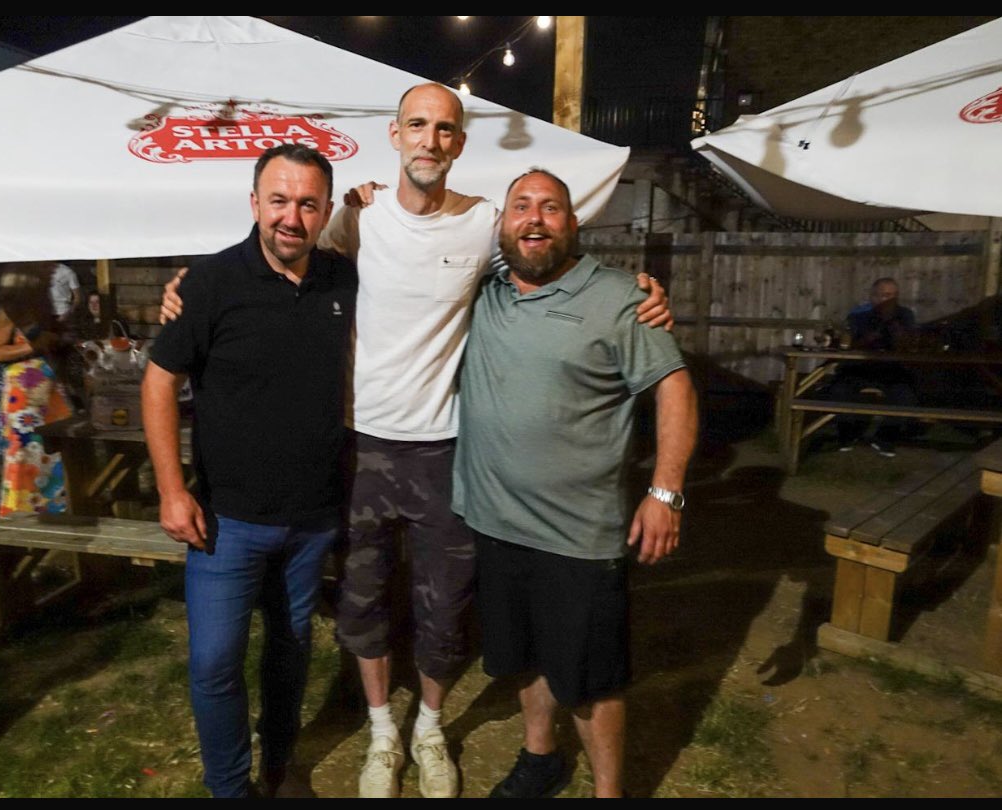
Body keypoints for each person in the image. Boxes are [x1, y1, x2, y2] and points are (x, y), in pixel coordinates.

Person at [160, 82, 674, 799]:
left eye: (445, 129)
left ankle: (429, 727)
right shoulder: (353, 218)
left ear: (459, 143)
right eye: (418, 126)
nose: (430, 140)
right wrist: (189, 285)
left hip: (445, 449)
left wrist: (636, 292)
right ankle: (381, 731)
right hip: (360, 448)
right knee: (362, 598)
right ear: (395, 135)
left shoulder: (485, 224)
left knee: (445, 605)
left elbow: (545, 261)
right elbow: (277, 258)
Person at [454, 168, 698, 798]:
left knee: (591, 677)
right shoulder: (481, 292)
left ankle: (608, 792)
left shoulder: (619, 297)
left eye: (550, 207)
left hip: (578, 535)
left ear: (573, 222)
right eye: (521, 207)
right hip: (495, 521)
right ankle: (541, 758)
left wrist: (665, 491)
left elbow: (674, 389)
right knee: (524, 656)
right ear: (503, 224)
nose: (534, 219)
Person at [142, 144, 357, 799]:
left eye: (308, 204)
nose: (292, 217)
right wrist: (171, 491)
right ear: (255, 203)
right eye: (279, 200)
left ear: (325, 211)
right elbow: (158, 382)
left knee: (290, 651)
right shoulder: (209, 282)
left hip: (313, 518)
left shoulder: (344, 280)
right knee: (214, 664)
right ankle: (230, 788)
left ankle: (279, 767)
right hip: (225, 520)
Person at [0, 267, 74, 517]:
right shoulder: (12, 311)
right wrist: (33, 347)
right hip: (23, 394)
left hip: (48, 390)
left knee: (51, 449)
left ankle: (52, 507)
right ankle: (21, 511)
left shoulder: (41, 310)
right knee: (25, 451)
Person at [832, 277, 919, 458]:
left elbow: (909, 343)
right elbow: (849, 343)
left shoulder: (905, 315)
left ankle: (884, 438)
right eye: (883, 295)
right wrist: (871, 336)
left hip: (890, 369)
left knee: (905, 394)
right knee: (840, 390)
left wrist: (893, 324)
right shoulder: (859, 315)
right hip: (860, 367)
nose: (887, 299)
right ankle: (847, 434)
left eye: (892, 295)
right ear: (873, 296)